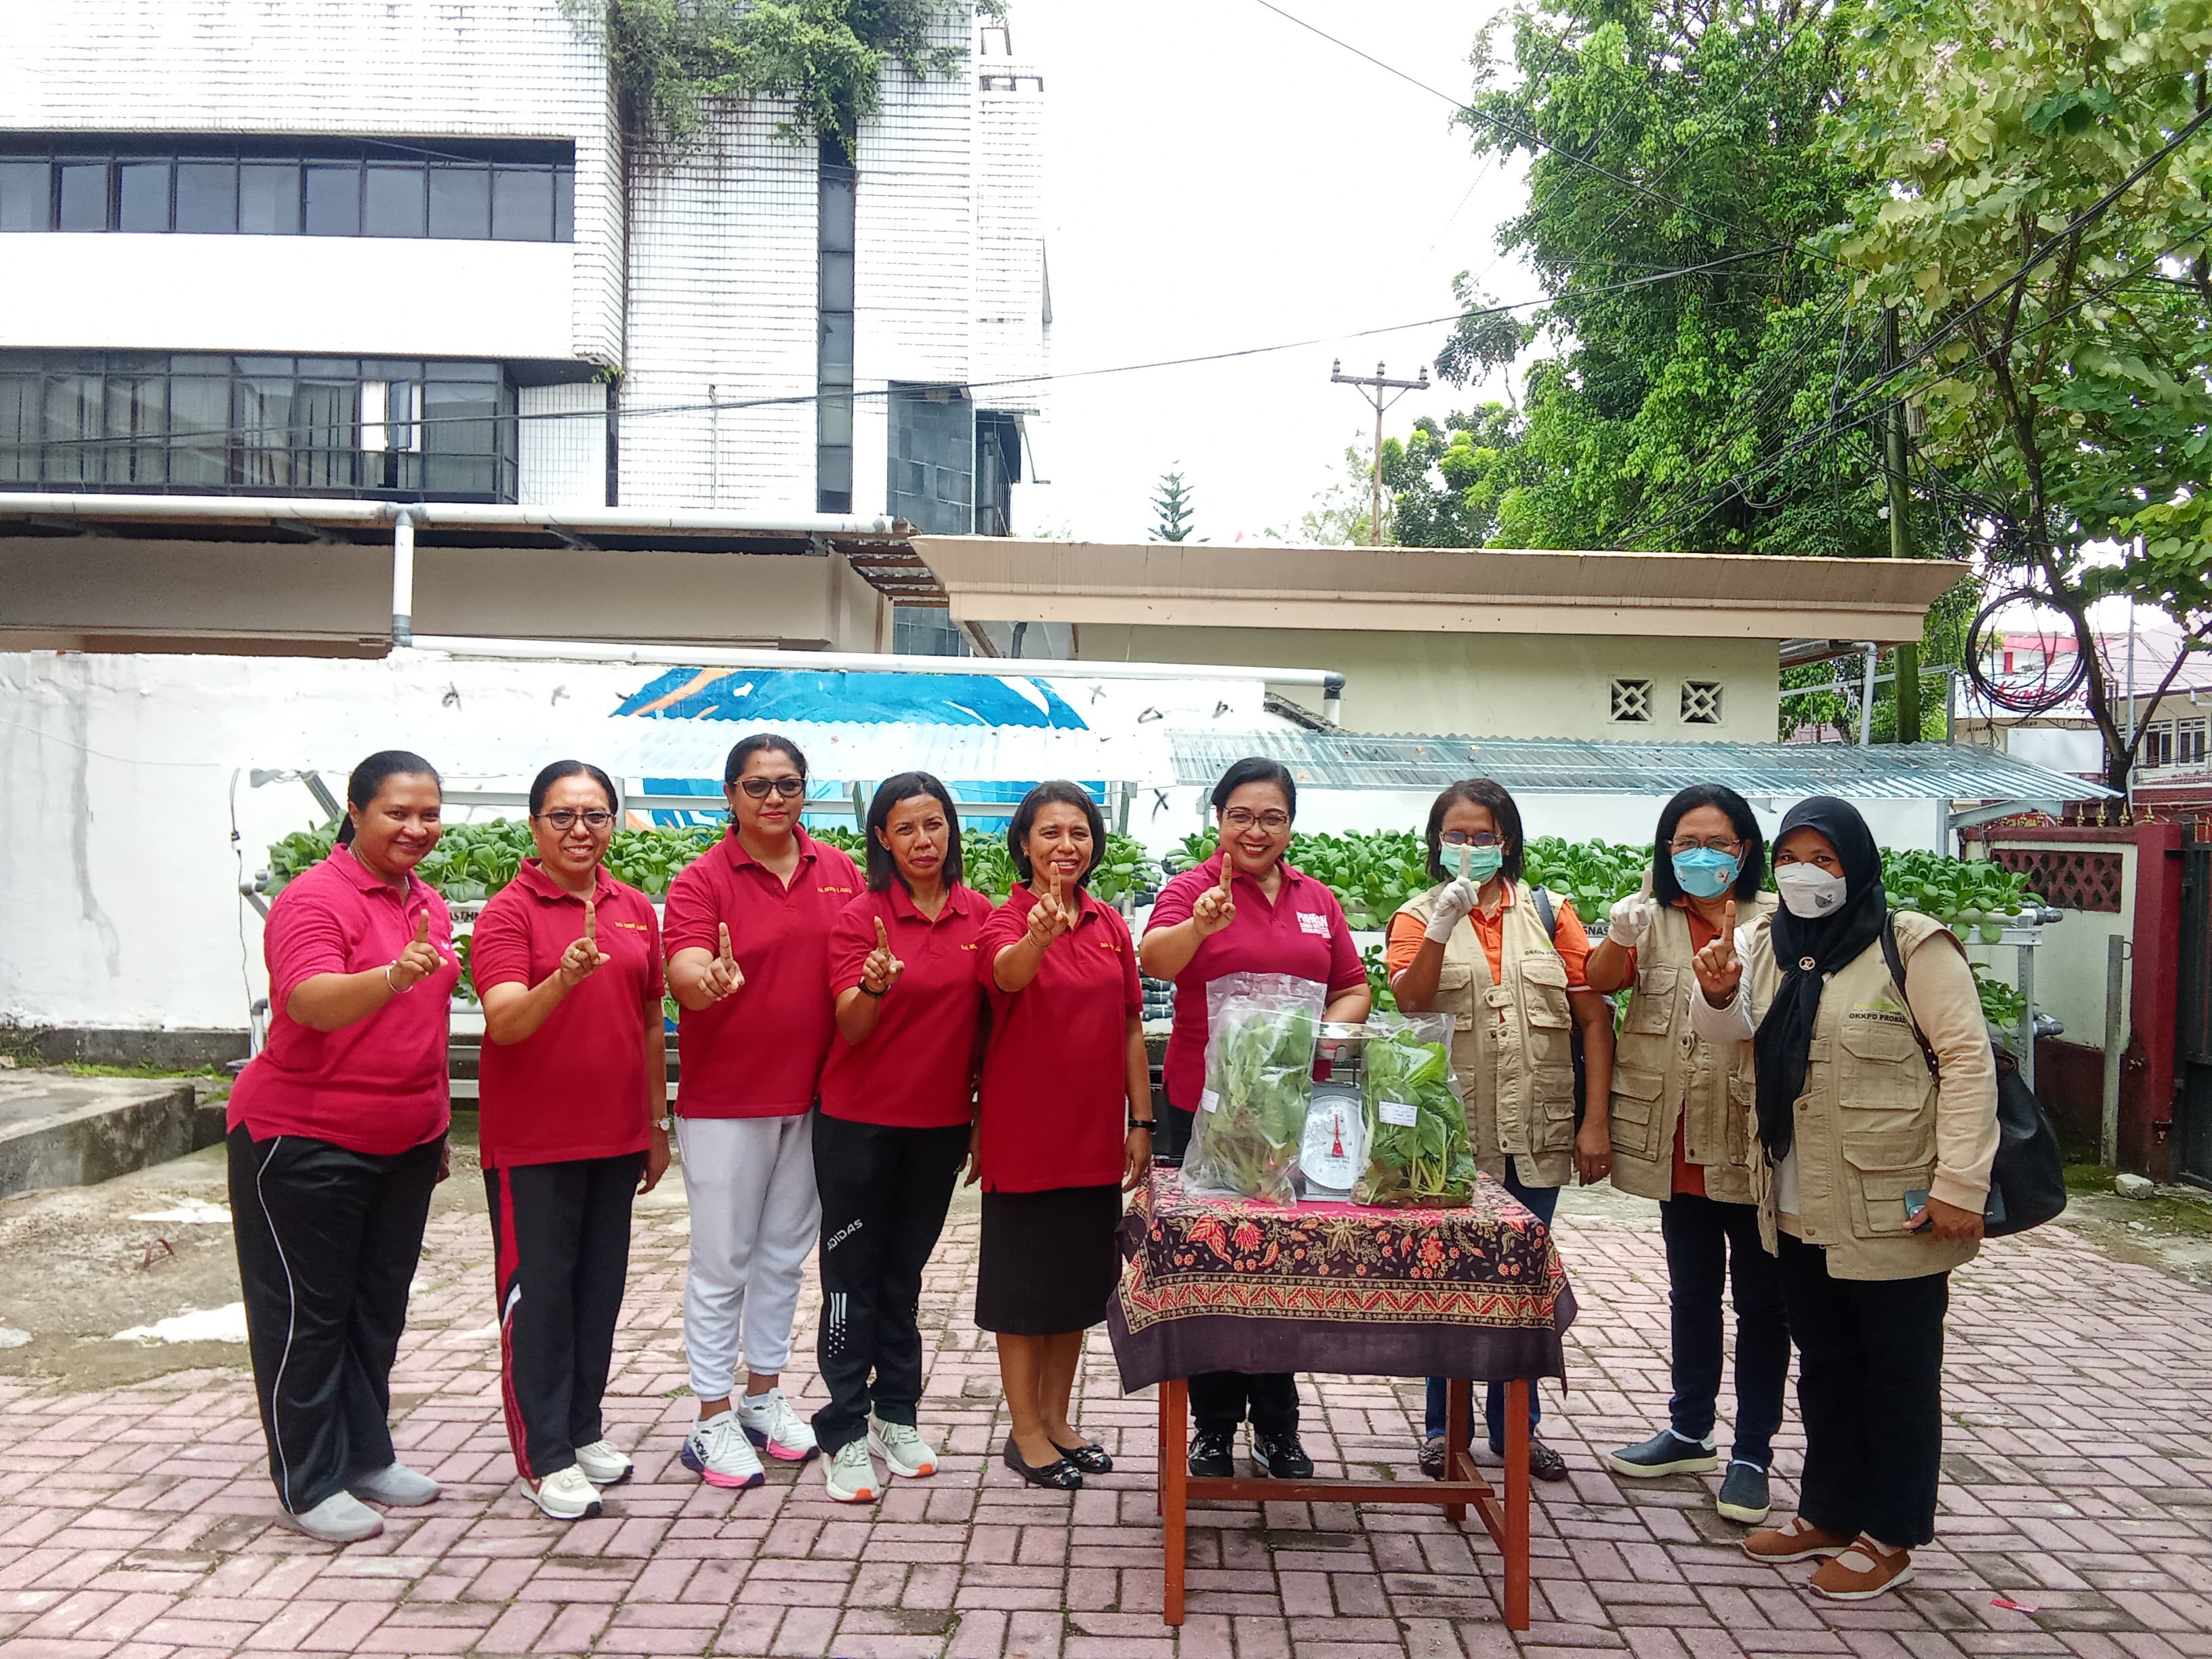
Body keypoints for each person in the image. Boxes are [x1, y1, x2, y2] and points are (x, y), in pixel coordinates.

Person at [1688, 795, 1996, 1601]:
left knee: (1895, 1370)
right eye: (1792, 857)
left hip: (1893, 1202)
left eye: (1825, 860)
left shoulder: (1910, 946)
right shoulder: (1764, 943)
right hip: (1793, 1200)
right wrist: (1717, 994)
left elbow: (1968, 1062)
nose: (1805, 874)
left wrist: (1961, 1183)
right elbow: (1731, 1037)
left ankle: (1892, 1531)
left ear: (1857, 866)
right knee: (1824, 1365)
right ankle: (1827, 1510)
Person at [226, 750, 459, 1544]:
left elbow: (423, 1033)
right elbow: (310, 1002)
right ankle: (309, 1480)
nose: (416, 828)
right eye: (398, 812)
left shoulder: (424, 902)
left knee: (374, 1314)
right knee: (307, 1317)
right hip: (303, 1140)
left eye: (429, 813)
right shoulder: (313, 900)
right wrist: (394, 974)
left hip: (404, 1143)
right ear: (356, 813)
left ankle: (364, 1454)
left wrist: (436, 1126)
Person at [1139, 756, 1371, 1479]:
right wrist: (1202, 926)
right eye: (1240, 814)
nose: (1255, 829)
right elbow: (1155, 959)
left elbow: (1354, 987)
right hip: (1204, 1105)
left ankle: (1277, 1426)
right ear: (1219, 820)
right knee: (1211, 1258)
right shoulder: (1191, 890)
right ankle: (1211, 1429)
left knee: (1283, 1262)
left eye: (1271, 816)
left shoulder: (1317, 899)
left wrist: (1314, 1045)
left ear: (1291, 825)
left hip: (1293, 1113)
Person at [1387, 777, 1614, 1483]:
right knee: (1447, 1278)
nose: (1468, 847)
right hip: (1449, 1137)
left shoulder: (1551, 914)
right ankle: (1439, 1428)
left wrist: (1595, 1122)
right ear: (1435, 842)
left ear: (1506, 841)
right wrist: (1443, 927)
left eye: (1482, 836)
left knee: (1522, 1281)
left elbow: (1594, 1021)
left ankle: (1519, 1428)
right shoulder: (1414, 914)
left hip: (1539, 1130)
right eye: (1455, 835)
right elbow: (1410, 999)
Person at [470, 760, 671, 1521]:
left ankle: (582, 1430)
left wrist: (657, 1127)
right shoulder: (508, 913)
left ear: (614, 824)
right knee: (541, 1302)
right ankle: (542, 1456)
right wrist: (563, 977)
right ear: (534, 826)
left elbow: (652, 1021)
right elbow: (505, 1021)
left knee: (598, 1296)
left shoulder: (630, 908)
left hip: (615, 1140)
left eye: (595, 815)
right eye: (563, 816)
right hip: (535, 1148)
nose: (580, 829)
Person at [663, 733, 863, 1490]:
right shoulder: (701, 879)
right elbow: (682, 967)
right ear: (730, 795)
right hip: (728, 1103)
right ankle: (709, 1416)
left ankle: (761, 1397)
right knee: (723, 1262)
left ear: (805, 790)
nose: (772, 799)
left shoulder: (839, 870)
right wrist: (704, 979)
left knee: (784, 1256)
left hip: (816, 1097)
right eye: (756, 786)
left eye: (786, 784)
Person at [1584, 785, 1786, 1525]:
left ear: (1746, 851)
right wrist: (1618, 935)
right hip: (1676, 1146)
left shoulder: (1777, 924)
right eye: (1686, 844)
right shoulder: (1653, 920)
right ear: (1667, 851)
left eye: (1720, 844)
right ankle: (1690, 1429)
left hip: (1749, 1145)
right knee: (1691, 1294)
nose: (1702, 856)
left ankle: (1752, 1454)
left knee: (1763, 1305)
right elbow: (1601, 986)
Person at [812, 773, 994, 1504]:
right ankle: (844, 1427)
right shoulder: (861, 918)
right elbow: (850, 1028)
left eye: (935, 824)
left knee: (904, 1277)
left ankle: (896, 1412)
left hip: (940, 1126)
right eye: (907, 828)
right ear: (882, 839)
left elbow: (986, 1029)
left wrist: (981, 1116)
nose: (924, 840)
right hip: (858, 1125)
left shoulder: (978, 916)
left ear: (952, 830)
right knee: (850, 1279)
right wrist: (876, 987)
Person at [972, 781, 1153, 1492]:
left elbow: (1132, 1027)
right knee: (1023, 1292)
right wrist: (1036, 939)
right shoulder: (1005, 919)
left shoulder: (1109, 923)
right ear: (1025, 844)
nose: (1065, 846)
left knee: (1076, 1289)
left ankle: (1056, 1418)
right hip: (1025, 1137)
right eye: (1050, 833)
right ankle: (1024, 1432)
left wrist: (1140, 1120)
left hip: (1093, 1137)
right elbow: (1003, 978)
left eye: (1078, 832)